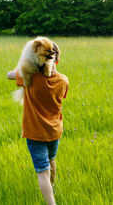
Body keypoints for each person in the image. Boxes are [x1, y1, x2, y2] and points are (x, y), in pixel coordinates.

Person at [7, 49, 69, 205]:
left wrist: (25, 65)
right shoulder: (63, 80)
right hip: (54, 131)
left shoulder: (31, 78)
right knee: (51, 159)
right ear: (57, 60)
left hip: (35, 133)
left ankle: (50, 202)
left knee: (42, 171)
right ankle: (51, 187)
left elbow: (9, 75)